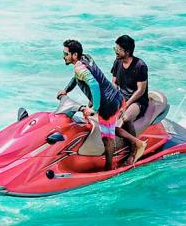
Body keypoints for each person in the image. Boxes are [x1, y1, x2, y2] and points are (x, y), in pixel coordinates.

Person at [57, 39, 144, 171]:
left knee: (107, 139)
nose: (63, 57)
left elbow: (93, 84)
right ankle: (135, 143)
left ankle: (110, 167)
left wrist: (94, 109)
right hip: (116, 97)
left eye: (65, 54)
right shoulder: (86, 57)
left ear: (75, 55)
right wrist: (66, 90)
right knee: (108, 128)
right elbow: (77, 77)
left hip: (107, 106)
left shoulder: (80, 68)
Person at [110, 34, 149, 164]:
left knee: (126, 118)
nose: (116, 51)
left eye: (118, 49)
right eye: (115, 48)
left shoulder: (140, 66)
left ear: (127, 52)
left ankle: (134, 148)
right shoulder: (117, 62)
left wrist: (125, 105)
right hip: (122, 98)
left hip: (137, 101)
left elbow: (141, 90)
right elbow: (114, 83)